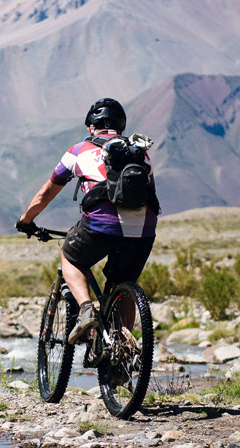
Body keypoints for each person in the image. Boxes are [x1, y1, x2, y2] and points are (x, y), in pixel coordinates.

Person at [16, 97, 158, 342]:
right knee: (123, 283)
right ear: (120, 126)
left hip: (101, 224)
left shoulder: (79, 150)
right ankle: (121, 346)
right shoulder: (140, 153)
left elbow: (46, 192)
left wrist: (26, 220)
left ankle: (85, 310)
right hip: (143, 230)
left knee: (70, 258)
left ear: (91, 126)